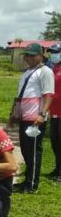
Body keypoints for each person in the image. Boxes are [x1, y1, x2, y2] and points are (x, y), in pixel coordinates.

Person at [11, 43, 54, 193]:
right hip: (25, 117)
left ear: (40, 55)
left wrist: (42, 114)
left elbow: (48, 95)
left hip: (35, 119)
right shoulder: (28, 72)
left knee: (34, 151)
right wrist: (14, 114)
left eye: (32, 55)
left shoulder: (45, 71)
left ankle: (32, 185)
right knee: (26, 150)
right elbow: (20, 95)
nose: (28, 58)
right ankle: (27, 180)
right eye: (27, 55)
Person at [47, 43, 61, 182]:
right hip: (54, 112)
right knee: (55, 142)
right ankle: (57, 168)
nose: (53, 54)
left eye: (56, 52)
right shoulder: (54, 68)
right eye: (51, 52)